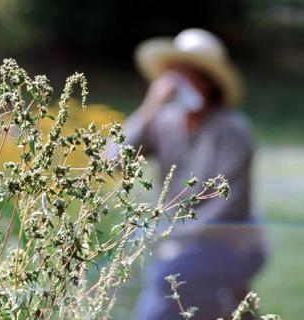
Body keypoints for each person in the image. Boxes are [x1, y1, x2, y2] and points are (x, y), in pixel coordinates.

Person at [117, 29, 266, 319]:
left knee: (168, 278)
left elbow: (229, 205)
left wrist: (176, 240)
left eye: (192, 75)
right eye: (176, 75)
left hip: (231, 242)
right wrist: (149, 107)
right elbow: (113, 162)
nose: (183, 83)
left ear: (210, 83)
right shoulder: (163, 122)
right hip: (182, 243)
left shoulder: (232, 130)